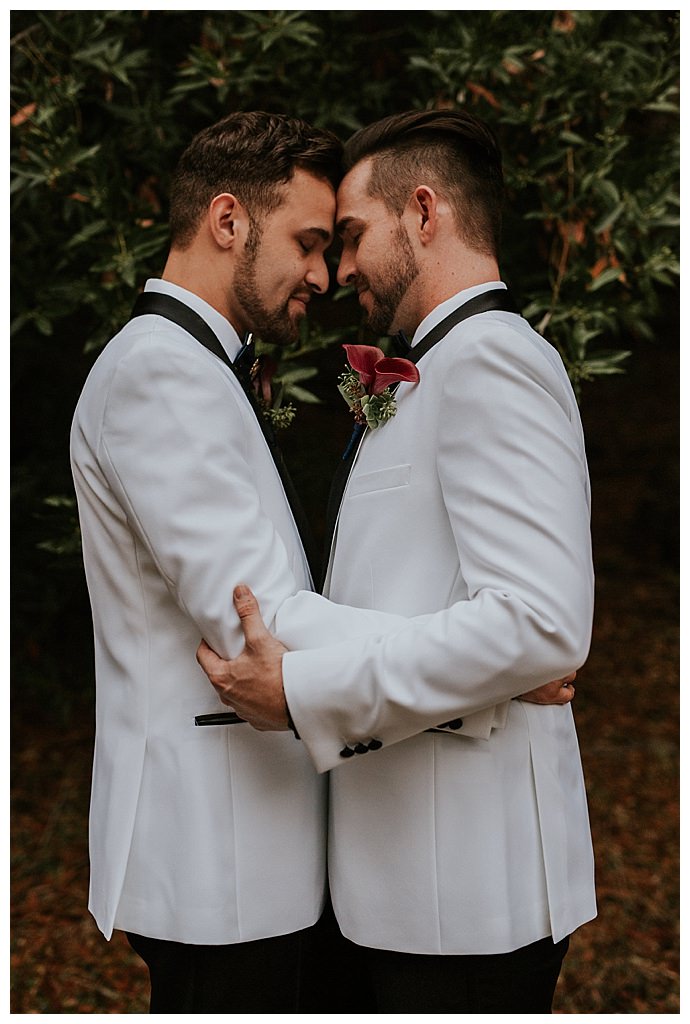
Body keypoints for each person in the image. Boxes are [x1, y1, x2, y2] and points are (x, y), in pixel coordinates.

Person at [196, 109, 597, 1013]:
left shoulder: (495, 361)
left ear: (424, 213)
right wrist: (495, 671)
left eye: (350, 237)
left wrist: (304, 692)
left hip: (464, 899)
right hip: (394, 891)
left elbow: (539, 624)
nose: (338, 274)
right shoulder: (434, 370)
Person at [69, 110, 349, 1012]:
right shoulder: (160, 372)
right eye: (308, 242)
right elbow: (252, 617)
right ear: (228, 221)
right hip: (218, 857)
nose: (324, 273)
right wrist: (483, 657)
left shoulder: (198, 365)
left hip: (245, 847)